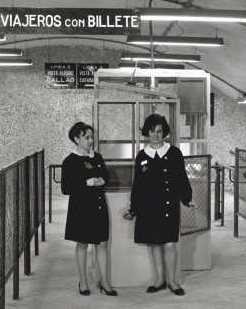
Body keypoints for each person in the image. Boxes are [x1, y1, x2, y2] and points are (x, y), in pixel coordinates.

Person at [123, 114, 195, 296]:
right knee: (155, 243)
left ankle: (173, 282)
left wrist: (187, 199)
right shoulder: (142, 156)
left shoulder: (174, 153)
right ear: (147, 132)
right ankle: (159, 280)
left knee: (169, 245)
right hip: (148, 206)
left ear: (164, 133)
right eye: (152, 131)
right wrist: (134, 209)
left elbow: (181, 179)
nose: (155, 135)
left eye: (159, 131)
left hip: (168, 205)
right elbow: (138, 184)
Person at [61, 122, 118, 296]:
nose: (90, 140)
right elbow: (66, 188)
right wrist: (85, 183)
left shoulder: (97, 157)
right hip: (81, 208)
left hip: (98, 205)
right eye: (86, 137)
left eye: (92, 137)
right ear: (76, 139)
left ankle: (104, 282)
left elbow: (106, 176)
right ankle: (83, 282)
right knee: (83, 243)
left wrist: (102, 180)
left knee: (101, 243)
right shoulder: (70, 161)